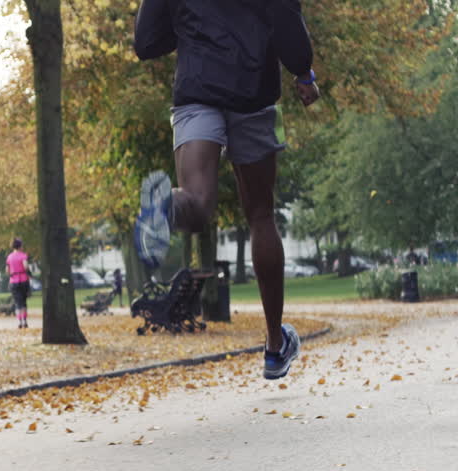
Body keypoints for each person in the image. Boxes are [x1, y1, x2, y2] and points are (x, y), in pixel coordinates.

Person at [133, 0, 319, 380]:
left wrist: (193, 30)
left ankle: (165, 205)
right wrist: (303, 72)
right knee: (261, 216)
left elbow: (146, 42)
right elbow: (286, 17)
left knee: (197, 200)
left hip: (196, 89)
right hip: (253, 93)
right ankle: (273, 345)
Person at [5, 237, 31, 329]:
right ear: (20, 246)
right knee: (24, 302)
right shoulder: (23, 255)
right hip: (23, 280)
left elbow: (7, 270)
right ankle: (25, 321)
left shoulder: (9, 257)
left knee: (17, 302)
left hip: (13, 281)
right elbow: (26, 266)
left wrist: (12, 275)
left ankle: (19, 321)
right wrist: (29, 273)